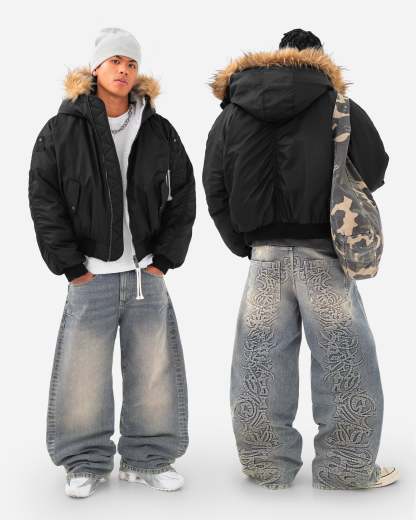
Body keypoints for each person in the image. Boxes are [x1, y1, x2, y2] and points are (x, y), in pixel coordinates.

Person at [202, 28, 398, 490]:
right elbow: (376, 166)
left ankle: (267, 468)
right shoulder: (337, 104)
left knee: (258, 364)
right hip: (323, 252)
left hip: (265, 256)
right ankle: (345, 469)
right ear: (319, 60)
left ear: (277, 56)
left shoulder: (232, 111)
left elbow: (214, 183)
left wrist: (244, 242)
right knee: (346, 363)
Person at [28, 27, 196, 498]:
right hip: (90, 275)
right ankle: (84, 462)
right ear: (96, 67)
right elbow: (45, 199)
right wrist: (71, 266)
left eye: (132, 63)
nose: (124, 70)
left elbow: (183, 194)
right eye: (115, 61)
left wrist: (164, 259)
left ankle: (149, 458)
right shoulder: (62, 129)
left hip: (147, 274)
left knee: (154, 370)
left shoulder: (159, 129)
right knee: (83, 374)